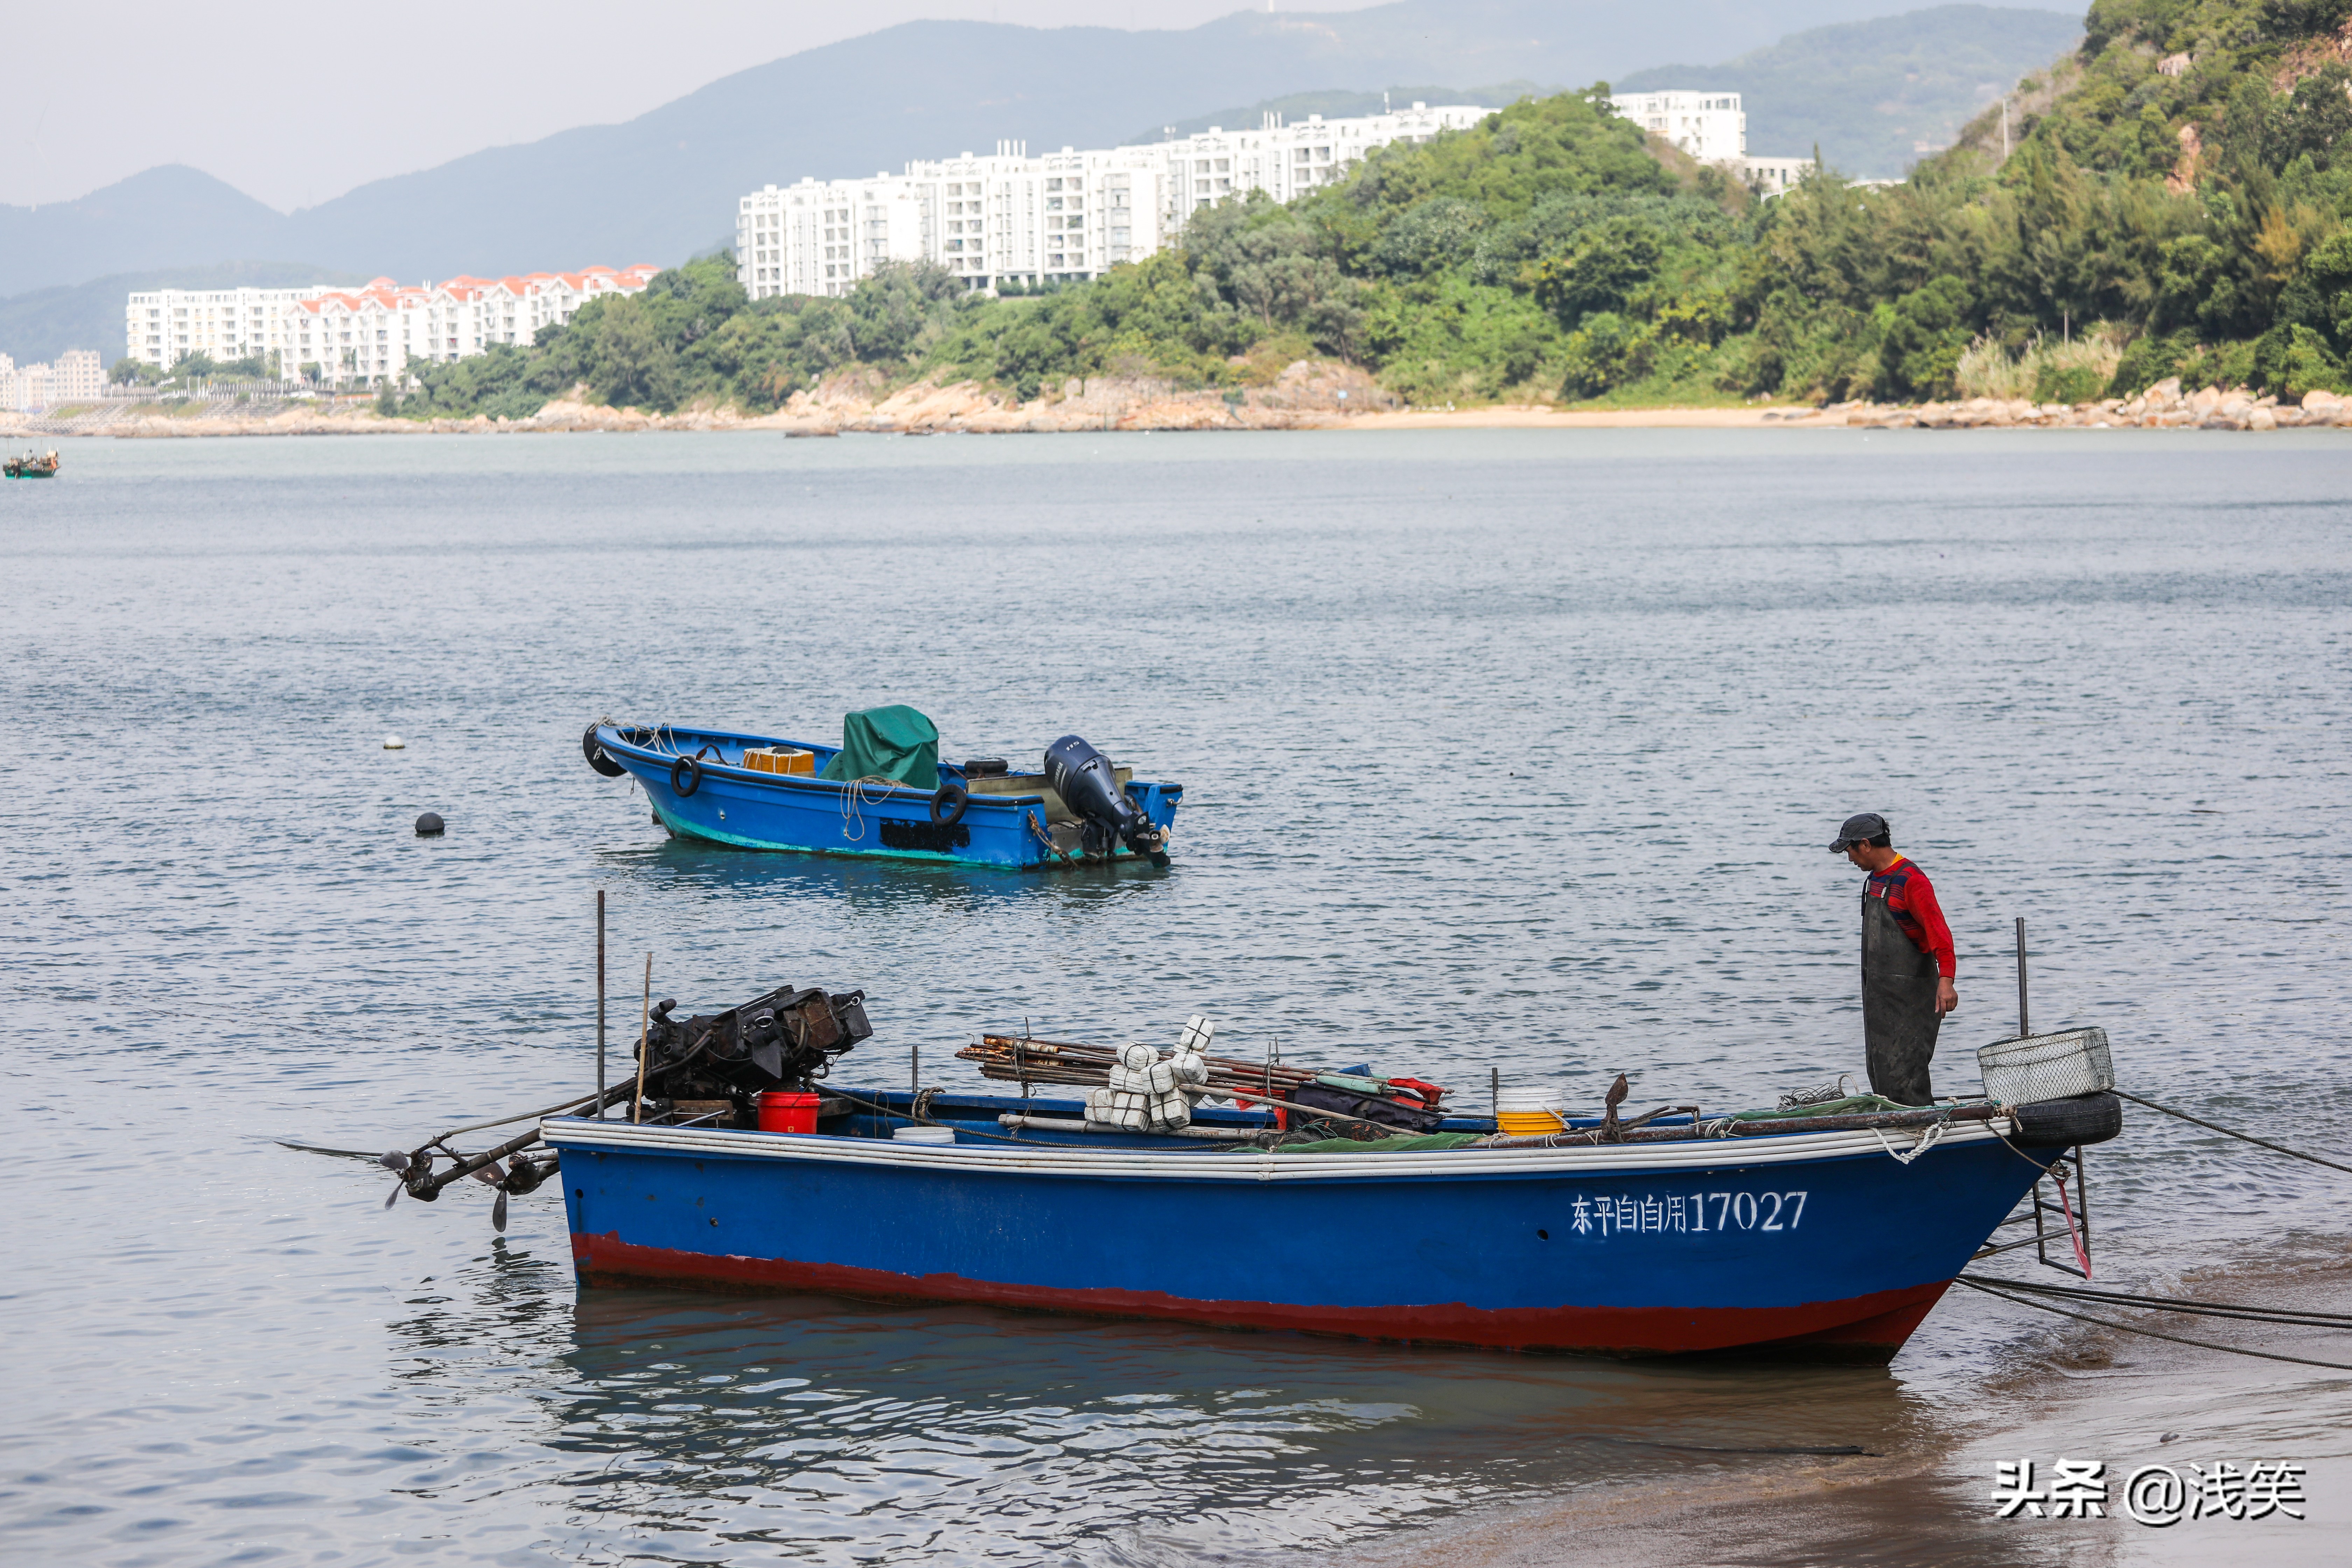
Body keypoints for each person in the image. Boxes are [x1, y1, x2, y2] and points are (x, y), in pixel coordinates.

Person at [1829, 813, 1957, 1105]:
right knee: (1881, 1072)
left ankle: (1920, 1134)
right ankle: (1893, 1131)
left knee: (1907, 1075)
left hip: (1910, 1001)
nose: (1849, 859)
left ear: (1865, 845)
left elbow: (1940, 934)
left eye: (1849, 851)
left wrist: (1947, 982)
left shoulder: (1911, 881)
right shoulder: (1875, 880)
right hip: (1879, 1001)